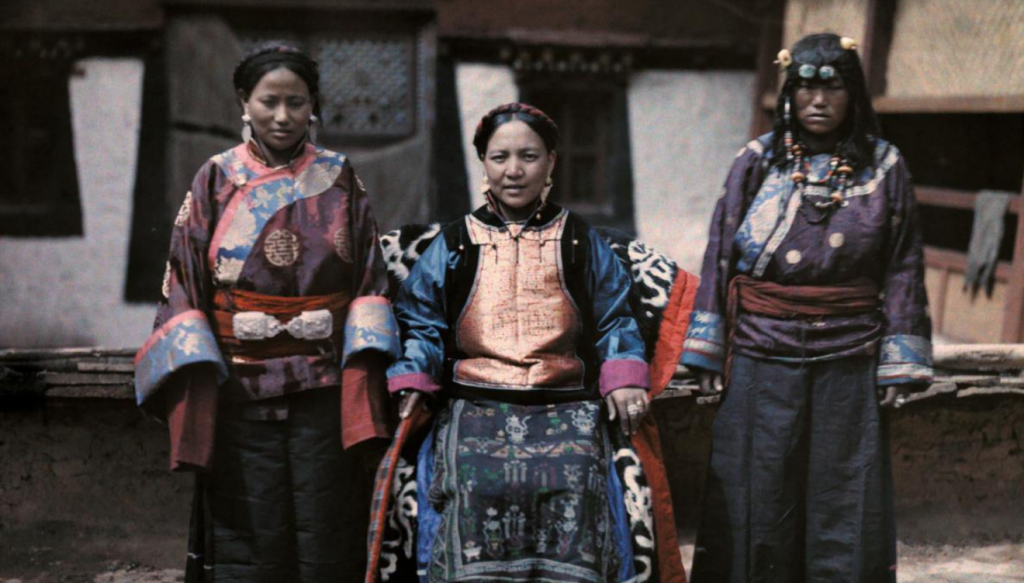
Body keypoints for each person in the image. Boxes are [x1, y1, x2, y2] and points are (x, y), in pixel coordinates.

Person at [364, 103, 687, 583]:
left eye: (528, 156)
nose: (513, 170)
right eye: (500, 157)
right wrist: (414, 376)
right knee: (472, 482)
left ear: (551, 161)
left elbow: (614, 317)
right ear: (484, 162)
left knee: (576, 478)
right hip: (474, 401)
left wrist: (623, 376)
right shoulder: (455, 243)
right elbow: (422, 321)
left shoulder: (579, 240)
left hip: (566, 402)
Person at [133, 42, 399, 583]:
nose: (282, 116)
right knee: (247, 528)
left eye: (296, 103)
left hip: (323, 384)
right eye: (268, 102)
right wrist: (198, 379)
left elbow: (369, 281)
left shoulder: (340, 176)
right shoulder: (215, 177)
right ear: (244, 102)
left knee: (327, 522)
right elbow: (184, 280)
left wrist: (361, 385)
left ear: (313, 105)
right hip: (239, 385)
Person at [680, 33, 933, 583]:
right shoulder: (756, 161)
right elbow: (721, 252)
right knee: (758, 486)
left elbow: (903, 264)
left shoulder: (885, 166)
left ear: (853, 93)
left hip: (850, 354)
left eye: (833, 87)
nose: (818, 100)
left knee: (844, 491)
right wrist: (707, 350)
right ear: (789, 94)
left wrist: (899, 359)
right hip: (760, 352)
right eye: (806, 87)